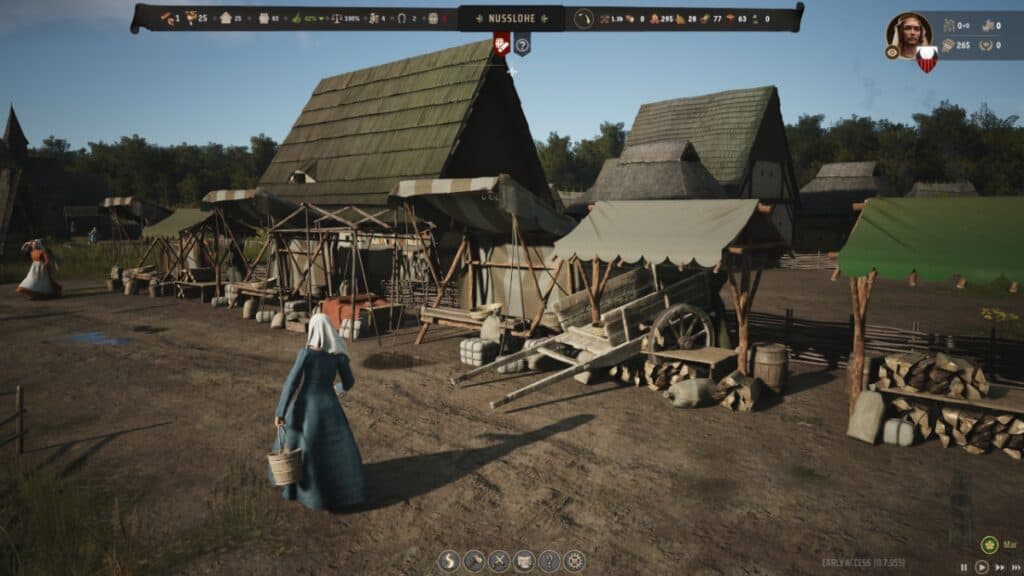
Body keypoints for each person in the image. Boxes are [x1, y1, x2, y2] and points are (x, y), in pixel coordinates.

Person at [269, 313, 366, 510]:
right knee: (334, 451)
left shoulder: (306, 354)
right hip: (330, 407)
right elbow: (349, 383)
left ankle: (299, 491)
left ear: (313, 330)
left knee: (301, 448)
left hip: (306, 406)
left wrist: (281, 411)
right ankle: (342, 492)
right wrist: (336, 390)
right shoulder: (338, 357)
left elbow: (292, 383)